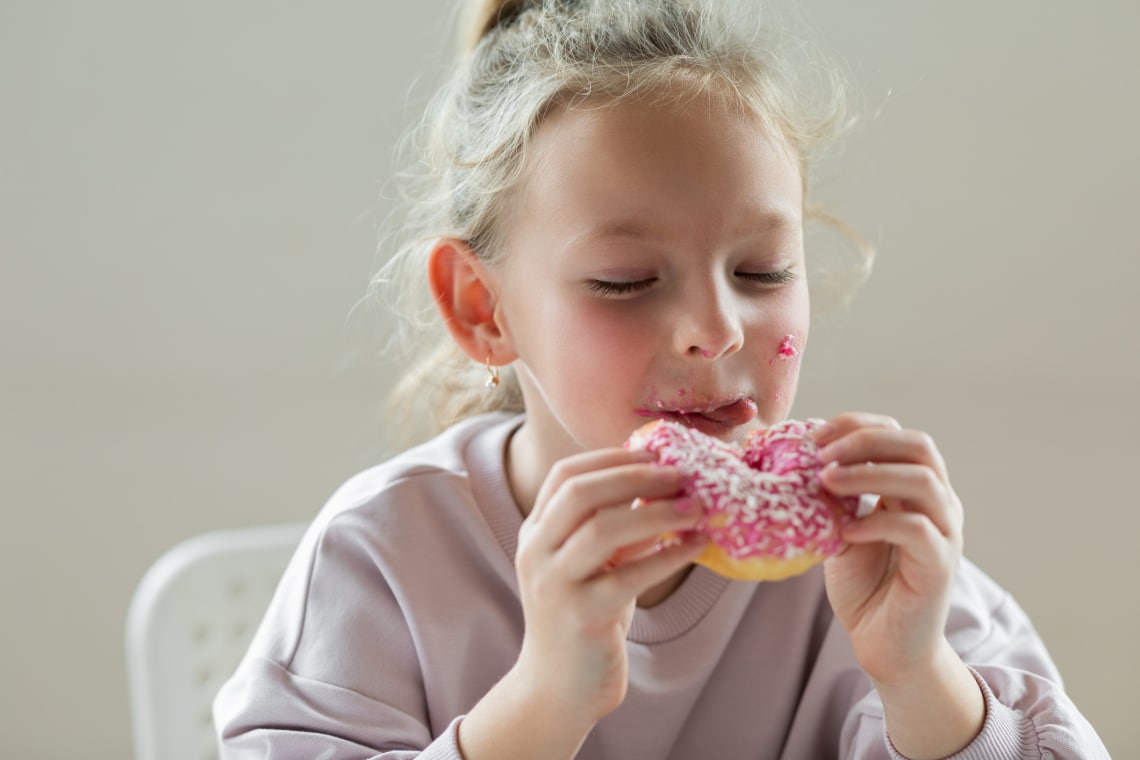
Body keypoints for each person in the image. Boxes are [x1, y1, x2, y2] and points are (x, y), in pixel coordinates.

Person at [214, 1, 1109, 757]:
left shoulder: (867, 554)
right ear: (484, 309)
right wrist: (544, 699)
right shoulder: (383, 560)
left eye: (762, 271)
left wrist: (922, 680)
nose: (717, 330)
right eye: (626, 282)